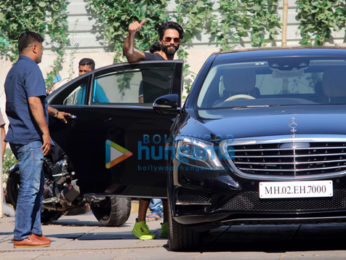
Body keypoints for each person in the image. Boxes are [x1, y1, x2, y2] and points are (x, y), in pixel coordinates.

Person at [4, 31, 70, 248]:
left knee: (37, 184)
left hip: (19, 134)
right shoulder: (31, 68)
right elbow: (33, 102)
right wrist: (45, 132)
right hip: (29, 136)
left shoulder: (15, 71)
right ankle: (22, 235)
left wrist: (54, 113)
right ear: (34, 48)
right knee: (30, 187)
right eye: (41, 48)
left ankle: (34, 231)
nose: (42, 52)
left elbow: (29, 102)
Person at [123, 20, 184, 240]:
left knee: (165, 176)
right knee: (148, 176)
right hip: (150, 125)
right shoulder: (153, 59)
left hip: (169, 125)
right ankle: (140, 223)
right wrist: (131, 34)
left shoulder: (173, 64)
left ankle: (167, 223)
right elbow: (130, 55)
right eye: (168, 38)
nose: (171, 42)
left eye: (175, 39)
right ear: (161, 40)